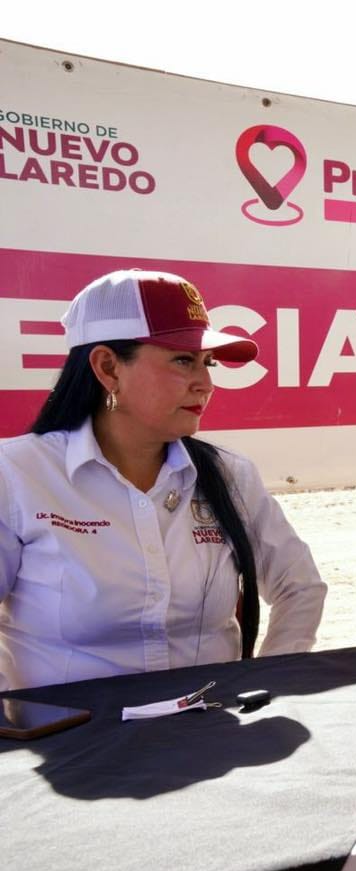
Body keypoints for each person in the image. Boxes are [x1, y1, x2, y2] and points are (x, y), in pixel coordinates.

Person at [0, 270, 326, 691]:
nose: (206, 384)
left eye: (207, 363)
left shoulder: (231, 475)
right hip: (72, 729)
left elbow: (301, 588)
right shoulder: (17, 473)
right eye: (183, 360)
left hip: (209, 723)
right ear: (108, 368)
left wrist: (266, 683)